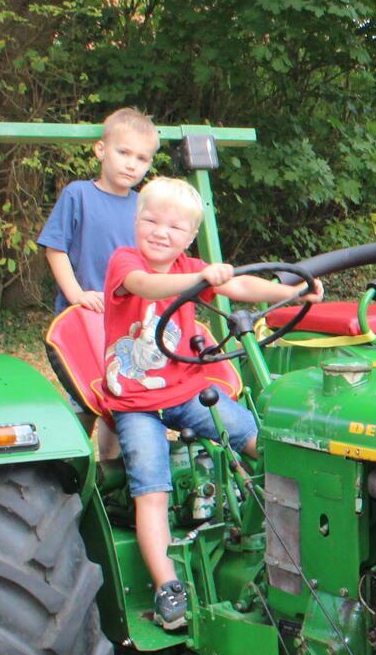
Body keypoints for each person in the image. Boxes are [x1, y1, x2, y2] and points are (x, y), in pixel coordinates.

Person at [104, 178, 320, 628]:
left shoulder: (189, 264)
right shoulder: (126, 262)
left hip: (184, 389)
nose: (161, 232)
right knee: (151, 491)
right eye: (150, 220)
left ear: (188, 238)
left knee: (254, 436)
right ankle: (168, 586)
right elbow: (147, 286)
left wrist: (290, 293)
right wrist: (201, 277)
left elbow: (239, 287)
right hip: (135, 402)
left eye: (175, 227)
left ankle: (299, 528)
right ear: (135, 221)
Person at [38, 108, 160, 314]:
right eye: (124, 153)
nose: (131, 165)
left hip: (130, 316)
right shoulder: (78, 195)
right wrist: (76, 295)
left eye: (141, 158)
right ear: (101, 150)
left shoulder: (145, 207)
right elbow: (55, 249)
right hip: (84, 311)